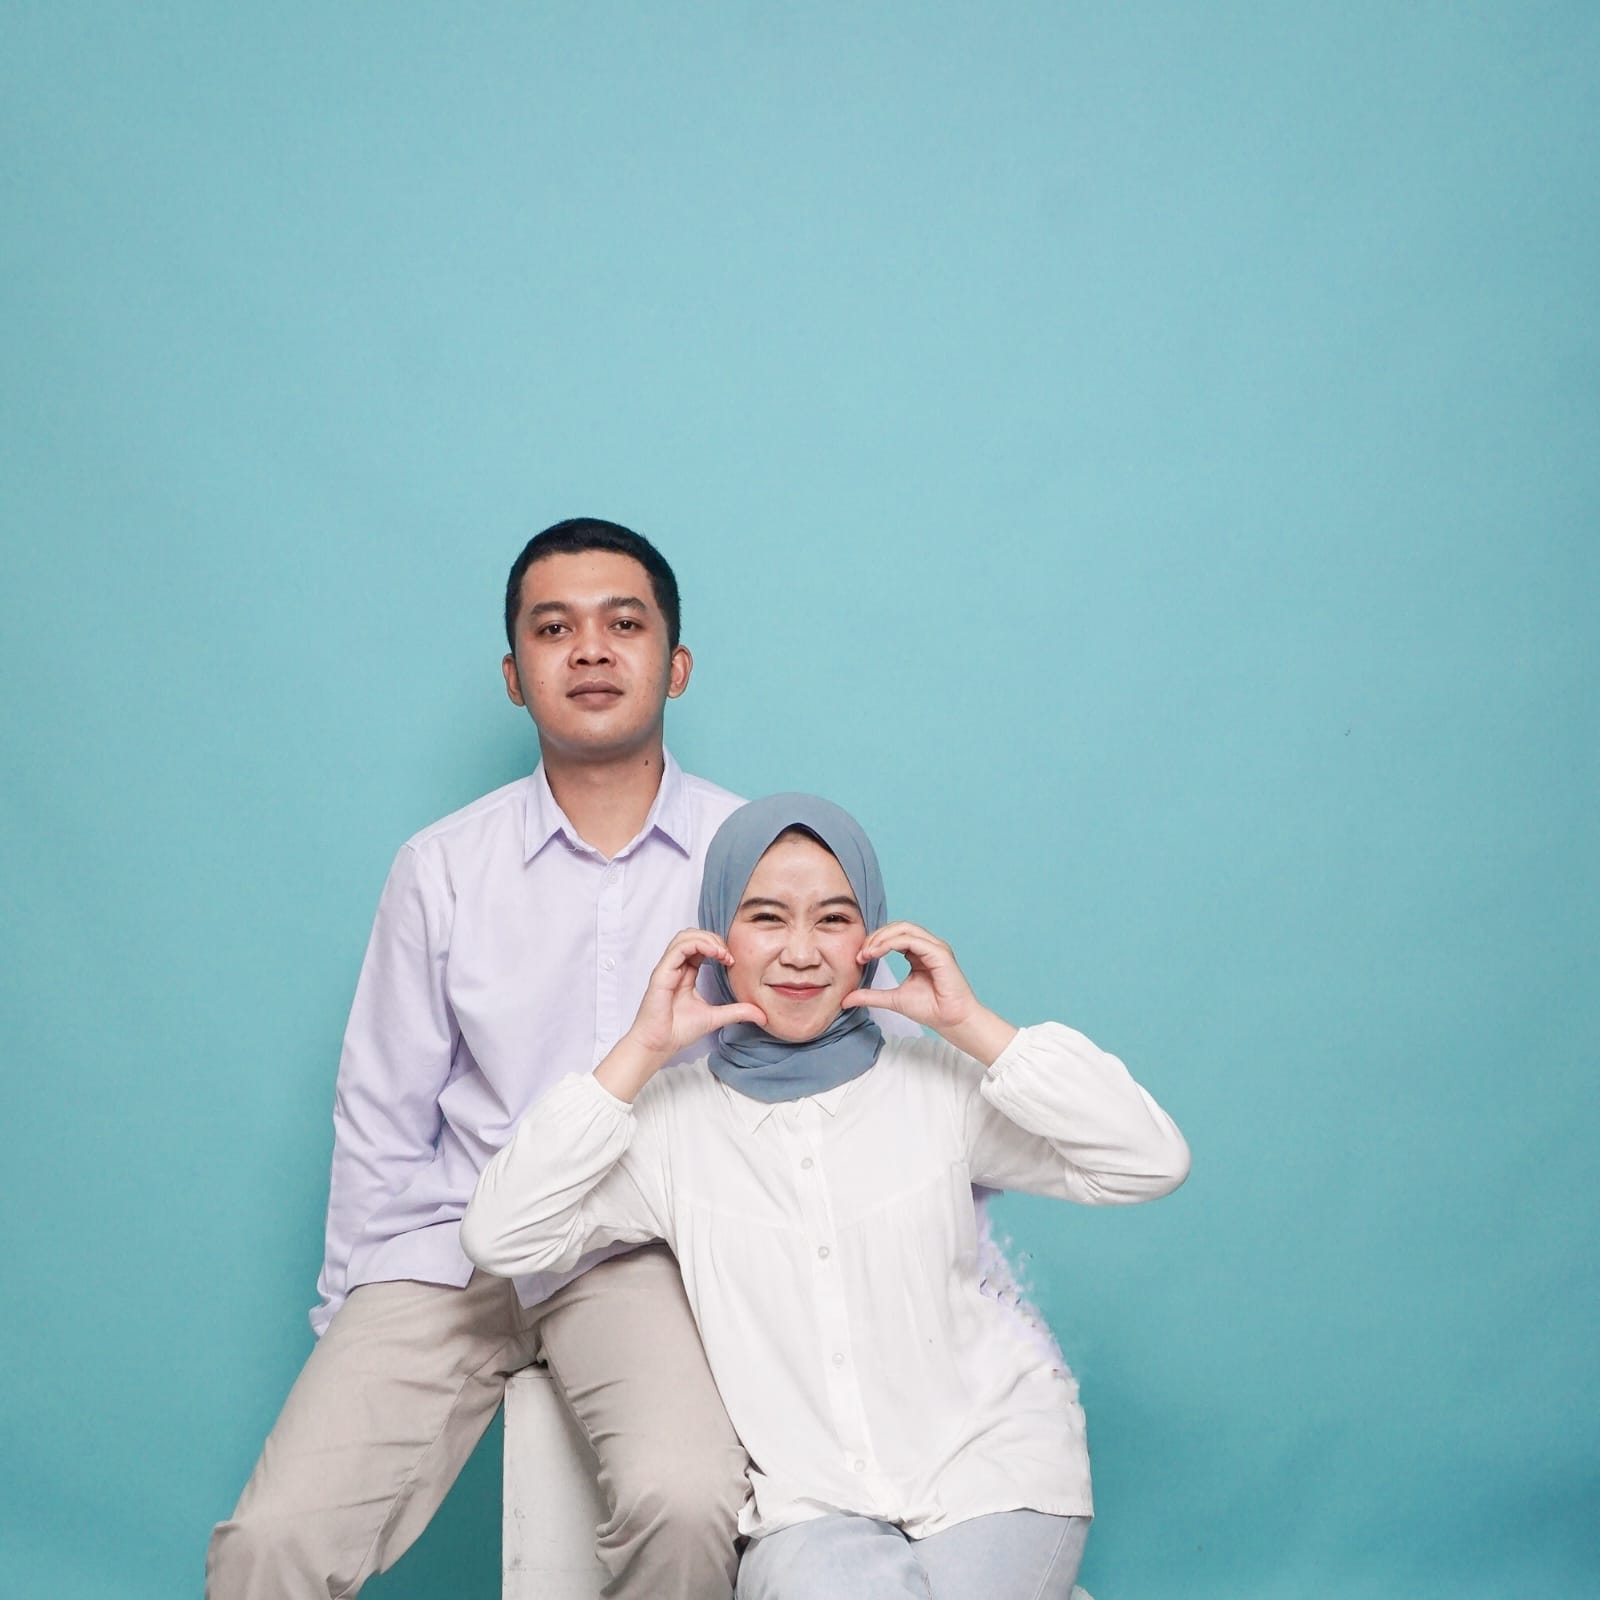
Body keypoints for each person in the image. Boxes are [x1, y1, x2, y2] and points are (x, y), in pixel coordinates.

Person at [207, 518, 761, 1599]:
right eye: (553, 629)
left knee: (688, 1499)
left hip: (638, 1254)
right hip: (451, 1253)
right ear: (514, 677)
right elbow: (382, 1107)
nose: (589, 649)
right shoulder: (442, 866)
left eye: (623, 624)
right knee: (271, 1539)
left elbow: (834, 1070)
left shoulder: (751, 856)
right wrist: (353, 1322)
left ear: (677, 664)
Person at [461, 794, 1192, 1600]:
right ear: (717, 936)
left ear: (870, 937)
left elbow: (1148, 1160)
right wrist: (640, 1050)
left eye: (834, 919)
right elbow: (501, 1234)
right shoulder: (671, 1124)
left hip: (992, 1475)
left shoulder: (936, 1086)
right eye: (766, 918)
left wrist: (972, 1024)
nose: (802, 952)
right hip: (812, 1513)